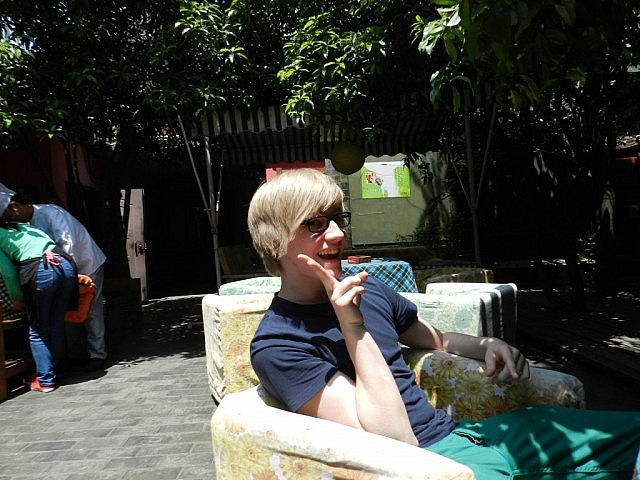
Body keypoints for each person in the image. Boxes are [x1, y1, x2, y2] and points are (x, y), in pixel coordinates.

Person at [248, 168, 640, 480]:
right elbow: (393, 442)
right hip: (433, 462)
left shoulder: (372, 289)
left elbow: (436, 338)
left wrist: (486, 345)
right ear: (276, 242)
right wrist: (353, 326)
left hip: (471, 433)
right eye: (315, 224)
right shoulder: (278, 345)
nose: (338, 233)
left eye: (337, 218)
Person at [0, 190, 107, 372]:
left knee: (92, 311)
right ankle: (76, 354)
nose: (8, 221)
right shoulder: (25, 225)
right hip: (61, 270)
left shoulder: (51, 212)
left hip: (86, 262)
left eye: (8, 216)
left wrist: (71, 274)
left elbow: (68, 243)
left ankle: (97, 354)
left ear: (15, 207)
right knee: (69, 310)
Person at [0, 218, 76, 393]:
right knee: (56, 325)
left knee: (37, 329)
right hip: (64, 264)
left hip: (42, 269)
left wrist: (16, 297)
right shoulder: (22, 227)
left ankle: (46, 380)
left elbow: (8, 273)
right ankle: (55, 372)